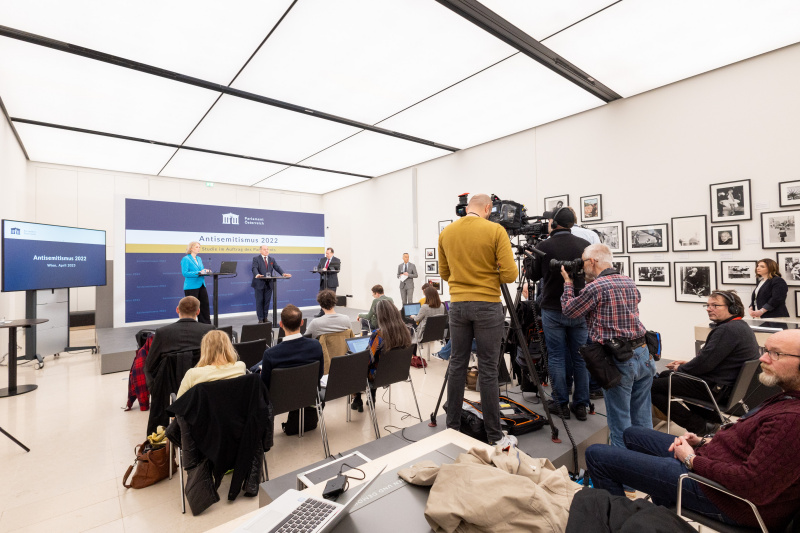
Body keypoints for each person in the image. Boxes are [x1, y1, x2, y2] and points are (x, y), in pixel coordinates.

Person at [585, 329, 800, 531]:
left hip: (725, 498)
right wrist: (704, 442)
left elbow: (750, 484)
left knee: (596, 455)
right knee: (632, 434)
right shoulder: (787, 397)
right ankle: (663, 508)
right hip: (716, 465)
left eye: (776, 354)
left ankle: (623, 524)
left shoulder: (792, 420)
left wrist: (691, 460)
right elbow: (754, 444)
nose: (763, 358)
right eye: (766, 351)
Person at [438, 193, 518, 448]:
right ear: (487, 208)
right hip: (487, 305)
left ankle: (452, 427)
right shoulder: (495, 230)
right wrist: (489, 269)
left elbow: (444, 272)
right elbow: (509, 274)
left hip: (458, 305)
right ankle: (494, 435)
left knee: (457, 364)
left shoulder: (447, 233)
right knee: (488, 369)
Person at [561, 244, 653, 437]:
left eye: (584, 261)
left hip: (619, 359)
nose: (582, 266)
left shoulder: (595, 287)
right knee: (643, 418)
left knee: (620, 425)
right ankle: (647, 460)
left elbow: (569, 311)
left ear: (592, 261)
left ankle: (623, 464)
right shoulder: (629, 281)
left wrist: (568, 283)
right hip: (644, 353)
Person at [651, 290, 759, 435]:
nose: (709, 309)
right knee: (665, 375)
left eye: (715, 305)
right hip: (726, 387)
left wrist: (681, 368)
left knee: (651, 386)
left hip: (715, 389)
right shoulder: (740, 326)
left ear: (732, 308)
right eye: (707, 305)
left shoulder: (726, 330)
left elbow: (704, 364)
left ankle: (700, 427)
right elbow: (712, 359)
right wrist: (687, 364)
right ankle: (712, 420)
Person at [531, 206, 591, 419]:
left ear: (554, 223)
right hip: (579, 308)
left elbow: (533, 275)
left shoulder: (544, 245)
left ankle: (561, 404)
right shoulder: (585, 245)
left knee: (556, 357)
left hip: (553, 308)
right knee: (581, 357)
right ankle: (582, 405)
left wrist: (532, 258)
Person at [351, 299, 412, 412]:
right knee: (375, 364)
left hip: (378, 375)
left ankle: (357, 398)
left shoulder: (378, 334)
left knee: (357, 365)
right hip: (396, 372)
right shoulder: (405, 330)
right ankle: (371, 397)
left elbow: (368, 360)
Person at [143, 296, 216, 390]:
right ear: (198, 311)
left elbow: (149, 366)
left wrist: (155, 390)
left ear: (177, 310)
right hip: (203, 387)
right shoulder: (209, 330)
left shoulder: (162, 333)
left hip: (170, 391)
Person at [257, 305, 324, 390]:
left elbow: (264, 385)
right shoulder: (316, 346)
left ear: (281, 324)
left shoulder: (271, 354)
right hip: (307, 395)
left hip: (279, 400)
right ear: (302, 323)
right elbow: (320, 374)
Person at [176, 330, 246, 397]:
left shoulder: (193, 374)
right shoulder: (240, 367)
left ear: (204, 349)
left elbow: (179, 404)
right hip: (235, 409)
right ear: (229, 347)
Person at [250, 245, 291, 324]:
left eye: (267, 249)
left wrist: (283, 273)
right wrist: (257, 274)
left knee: (267, 301)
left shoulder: (272, 259)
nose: (266, 251)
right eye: (264, 249)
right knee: (260, 301)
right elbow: (254, 268)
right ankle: (260, 319)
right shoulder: (256, 259)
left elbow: (277, 267)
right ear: (260, 251)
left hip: (269, 283)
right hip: (259, 283)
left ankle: (265, 317)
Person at [181, 241, 212, 324]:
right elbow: (185, 273)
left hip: (201, 285)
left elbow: (201, 270)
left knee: (204, 305)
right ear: (191, 248)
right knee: (191, 308)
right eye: (196, 247)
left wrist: (206, 271)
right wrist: (199, 273)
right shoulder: (186, 259)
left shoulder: (199, 259)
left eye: (199, 247)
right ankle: (191, 324)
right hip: (191, 287)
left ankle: (206, 324)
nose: (198, 249)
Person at [315, 247, 341, 317]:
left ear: (332, 253)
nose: (326, 254)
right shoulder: (322, 260)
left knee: (330, 298)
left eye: (328, 253)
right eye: (326, 253)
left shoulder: (337, 260)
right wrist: (322, 270)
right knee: (322, 298)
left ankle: (331, 313)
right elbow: (318, 268)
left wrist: (327, 269)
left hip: (332, 283)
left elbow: (337, 269)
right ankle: (322, 312)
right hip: (323, 282)